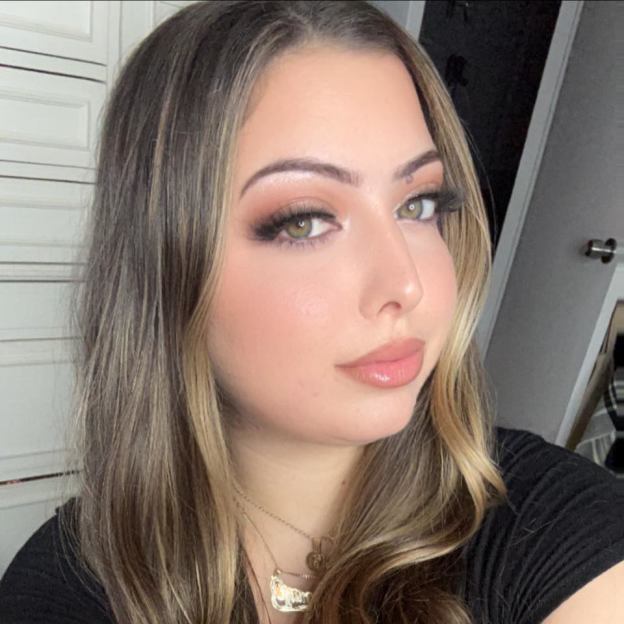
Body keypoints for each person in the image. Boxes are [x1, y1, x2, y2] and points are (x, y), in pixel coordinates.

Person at [1, 1, 623, 623]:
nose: (405, 284)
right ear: (164, 269)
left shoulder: (549, 524)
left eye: (419, 205)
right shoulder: (65, 586)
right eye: (304, 221)